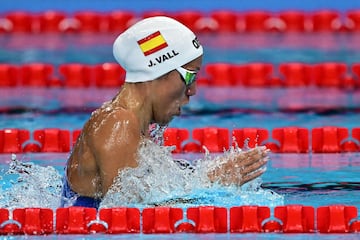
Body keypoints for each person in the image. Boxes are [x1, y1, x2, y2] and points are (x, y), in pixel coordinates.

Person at [61, 16, 269, 209]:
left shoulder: (132, 124)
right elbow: (128, 212)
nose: (193, 91)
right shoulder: (119, 123)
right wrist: (213, 186)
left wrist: (205, 178)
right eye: (190, 77)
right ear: (159, 70)